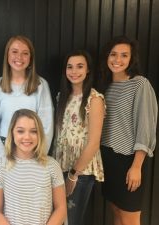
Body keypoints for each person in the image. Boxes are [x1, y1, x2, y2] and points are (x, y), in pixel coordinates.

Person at [99, 36, 157, 225]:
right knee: (116, 211)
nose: (118, 60)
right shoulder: (106, 86)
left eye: (124, 55)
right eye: (113, 54)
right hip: (108, 158)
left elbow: (146, 126)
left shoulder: (140, 84)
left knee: (130, 218)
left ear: (131, 59)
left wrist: (136, 166)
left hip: (129, 161)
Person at [52, 50, 105, 225]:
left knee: (72, 220)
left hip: (80, 171)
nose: (74, 71)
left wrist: (73, 176)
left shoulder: (94, 99)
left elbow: (94, 142)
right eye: (70, 67)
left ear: (88, 70)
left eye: (80, 66)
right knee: (58, 217)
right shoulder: (62, 97)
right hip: (60, 166)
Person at [0, 109, 67, 225]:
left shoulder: (52, 166)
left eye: (33, 131)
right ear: (12, 133)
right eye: (20, 131)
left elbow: (61, 209)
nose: (27, 137)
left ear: (39, 134)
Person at [0, 35, 54, 161]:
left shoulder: (40, 85)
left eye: (25, 53)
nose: (19, 57)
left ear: (30, 58)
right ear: (7, 55)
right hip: (4, 148)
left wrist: (39, 155)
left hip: (32, 148)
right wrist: (2, 158)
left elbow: (47, 123)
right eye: (14, 52)